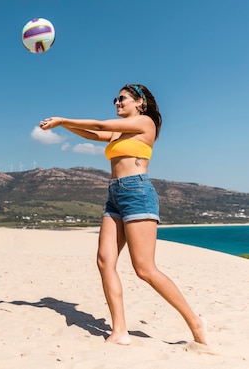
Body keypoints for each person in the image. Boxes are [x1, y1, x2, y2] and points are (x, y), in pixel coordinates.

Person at [40, 84, 208, 346]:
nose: (117, 103)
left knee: (145, 269)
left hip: (136, 192)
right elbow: (93, 133)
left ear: (140, 102)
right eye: (115, 99)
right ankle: (119, 331)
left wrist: (63, 119)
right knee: (104, 261)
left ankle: (194, 321)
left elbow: (99, 124)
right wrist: (62, 127)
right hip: (115, 195)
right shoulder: (119, 130)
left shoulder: (145, 122)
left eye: (122, 99)